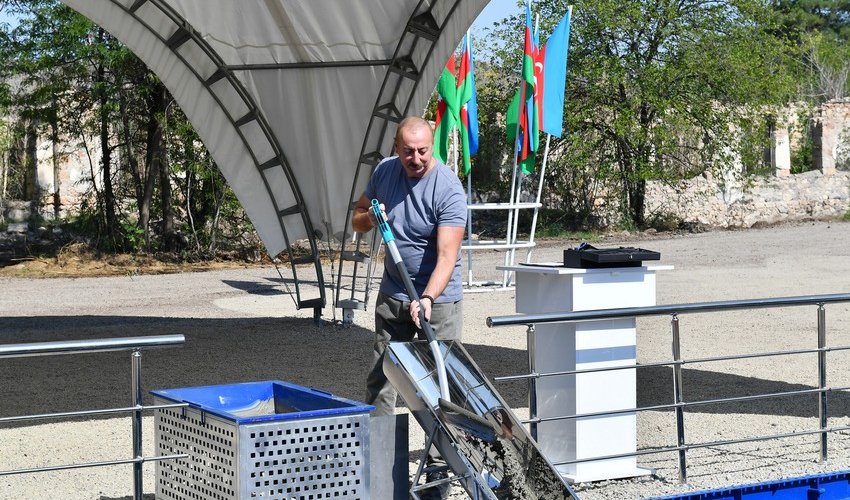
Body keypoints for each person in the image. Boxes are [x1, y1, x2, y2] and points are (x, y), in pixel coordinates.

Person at [351, 116, 466, 499]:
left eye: (422, 151)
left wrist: (429, 298)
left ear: (431, 147)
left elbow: (448, 256)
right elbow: (357, 217)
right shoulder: (385, 172)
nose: (416, 159)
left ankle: (436, 478)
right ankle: (379, 469)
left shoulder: (448, 188)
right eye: (408, 152)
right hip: (394, 295)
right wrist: (373, 217)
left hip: (439, 301)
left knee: (439, 389)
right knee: (381, 379)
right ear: (396, 148)